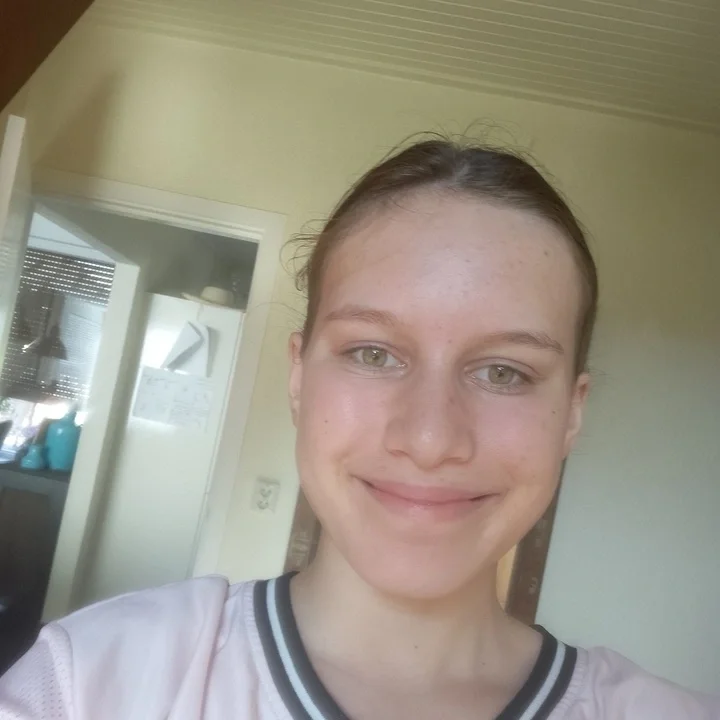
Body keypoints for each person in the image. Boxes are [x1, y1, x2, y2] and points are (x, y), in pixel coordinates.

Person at [0, 137, 717, 720]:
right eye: (373, 354)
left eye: (504, 371)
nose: (430, 439)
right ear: (299, 377)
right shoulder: (90, 683)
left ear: (573, 414)